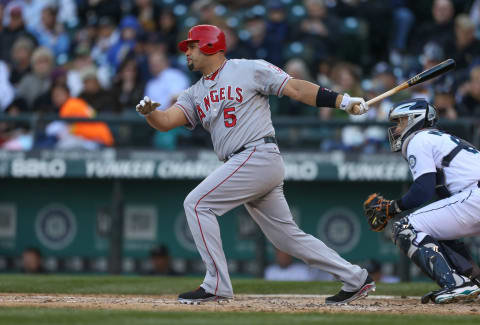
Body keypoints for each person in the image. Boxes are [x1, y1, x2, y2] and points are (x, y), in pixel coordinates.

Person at [136, 24, 373, 305]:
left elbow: (296, 88)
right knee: (287, 238)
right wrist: (151, 114)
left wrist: (342, 101)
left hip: (257, 154)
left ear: (211, 45)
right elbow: (165, 123)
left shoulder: (248, 69)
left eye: (192, 46)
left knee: (197, 204)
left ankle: (216, 284)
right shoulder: (194, 93)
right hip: (246, 163)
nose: (187, 52)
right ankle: (356, 278)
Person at [364, 98, 480, 304]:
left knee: (404, 227)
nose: (397, 129)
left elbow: (423, 189)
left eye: (400, 122)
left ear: (413, 120)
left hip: (475, 196)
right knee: (435, 230)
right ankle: (472, 282)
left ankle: (456, 284)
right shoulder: (439, 138)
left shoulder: (418, 139)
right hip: (473, 196)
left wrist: (392, 208)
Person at [264, 248, 333, 281]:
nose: (282, 257)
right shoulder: (270, 271)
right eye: (280, 254)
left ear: (290, 255)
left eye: (285, 255)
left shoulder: (302, 270)